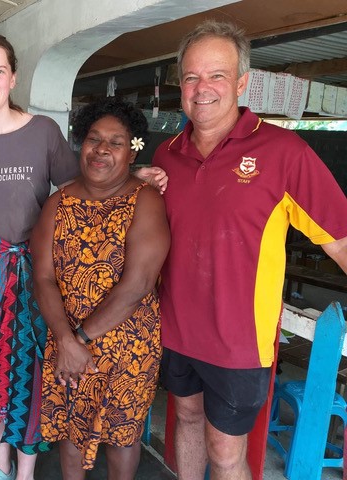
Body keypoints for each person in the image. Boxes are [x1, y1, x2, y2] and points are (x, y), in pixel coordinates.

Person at [0, 34, 167, 480]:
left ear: (13, 77)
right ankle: (1, 467)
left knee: (31, 370)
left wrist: (136, 173)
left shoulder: (42, 132)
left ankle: (24, 470)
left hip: (56, 288)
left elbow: (84, 177)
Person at [152, 20, 347, 480]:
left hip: (238, 342)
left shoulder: (284, 152)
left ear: (241, 82)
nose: (203, 89)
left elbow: (340, 239)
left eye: (217, 75)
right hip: (175, 328)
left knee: (226, 454)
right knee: (188, 424)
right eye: (192, 77)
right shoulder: (166, 155)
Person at [31, 97, 170, 479]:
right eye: (94, 139)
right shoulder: (57, 203)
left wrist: (78, 338)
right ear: (81, 144)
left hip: (129, 343)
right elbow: (42, 277)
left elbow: (137, 285)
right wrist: (66, 340)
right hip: (67, 341)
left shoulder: (145, 201)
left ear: (132, 151)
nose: (102, 150)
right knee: (71, 433)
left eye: (115, 142)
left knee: (121, 437)